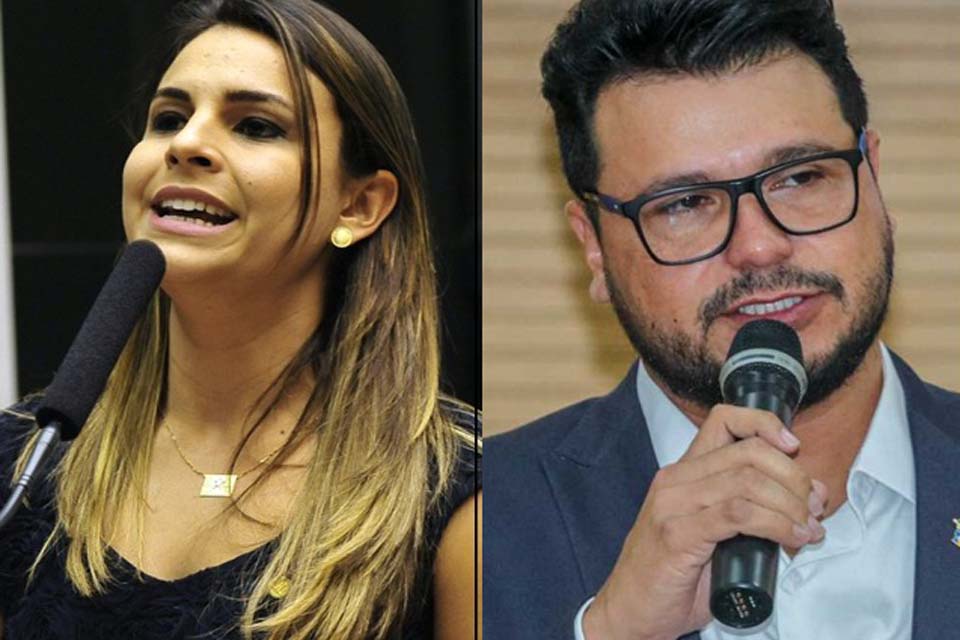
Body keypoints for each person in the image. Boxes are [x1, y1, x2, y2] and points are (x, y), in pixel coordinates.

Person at [0, 1, 480, 638]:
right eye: (169, 119)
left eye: (255, 126)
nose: (187, 145)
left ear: (360, 205)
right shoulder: (23, 461)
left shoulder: (458, 495)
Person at [485, 0, 960, 638]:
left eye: (800, 178)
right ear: (593, 247)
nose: (759, 247)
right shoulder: (480, 518)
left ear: (873, 176)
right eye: (685, 203)